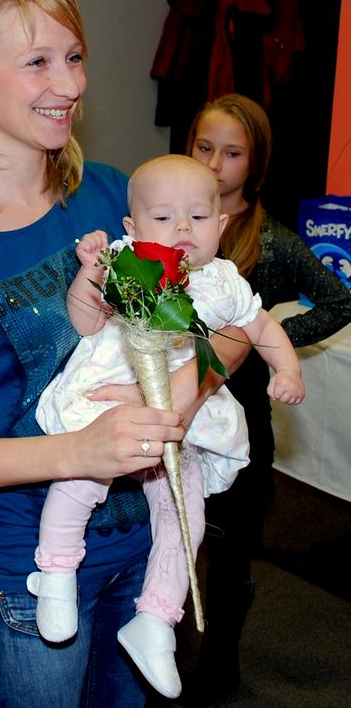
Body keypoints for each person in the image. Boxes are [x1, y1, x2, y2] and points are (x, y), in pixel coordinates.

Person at [0, 0, 249, 708]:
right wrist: (77, 451)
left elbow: (227, 322)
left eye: (74, 57)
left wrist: (182, 388)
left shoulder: (111, 195)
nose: (70, 84)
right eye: (38, 61)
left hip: (142, 549)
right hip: (19, 570)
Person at [31, 155, 304, 699]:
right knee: (80, 479)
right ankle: (56, 574)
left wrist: (288, 369)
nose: (182, 228)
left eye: (198, 217)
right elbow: (85, 322)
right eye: (163, 217)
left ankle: (156, 617)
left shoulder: (223, 280)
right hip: (112, 404)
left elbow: (262, 328)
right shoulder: (126, 261)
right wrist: (90, 275)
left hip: (183, 425)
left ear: (221, 224)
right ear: (132, 226)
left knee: (186, 512)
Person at [174, 93, 351, 707]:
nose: (214, 164)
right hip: (172, 415)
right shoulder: (170, 221)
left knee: (227, 552)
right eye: (204, 147)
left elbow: (341, 301)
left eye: (232, 153)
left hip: (240, 424)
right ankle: (159, 649)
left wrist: (268, 339)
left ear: (255, 163)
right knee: (166, 538)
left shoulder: (269, 240)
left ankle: (218, 667)